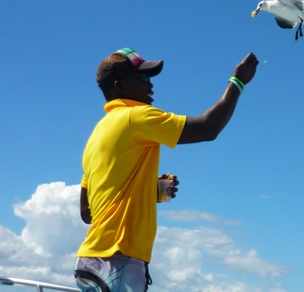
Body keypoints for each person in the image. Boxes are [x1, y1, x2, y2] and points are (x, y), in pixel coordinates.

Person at [74, 47, 258, 292]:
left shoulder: (96, 135)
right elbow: (208, 127)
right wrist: (238, 81)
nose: (150, 84)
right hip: (117, 259)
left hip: (89, 260)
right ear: (119, 87)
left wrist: (150, 191)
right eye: (142, 77)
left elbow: (88, 213)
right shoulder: (135, 117)